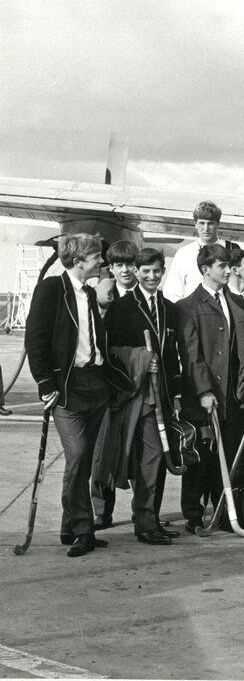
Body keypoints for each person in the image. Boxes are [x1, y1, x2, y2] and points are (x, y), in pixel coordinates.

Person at [25, 233, 132, 557]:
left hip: (95, 385)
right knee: (78, 455)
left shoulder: (88, 292)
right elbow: (35, 339)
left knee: (83, 462)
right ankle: (84, 529)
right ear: (79, 259)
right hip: (67, 390)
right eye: (95, 256)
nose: (101, 261)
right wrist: (46, 385)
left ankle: (68, 525)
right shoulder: (51, 290)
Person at [102, 247, 183, 545]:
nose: (151, 277)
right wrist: (138, 357)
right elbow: (109, 351)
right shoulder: (122, 309)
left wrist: (175, 394)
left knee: (157, 459)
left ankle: (148, 519)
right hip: (134, 396)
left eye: (156, 271)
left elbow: (173, 357)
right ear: (136, 272)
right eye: (145, 271)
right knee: (147, 459)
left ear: (163, 271)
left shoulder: (168, 308)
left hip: (161, 396)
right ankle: (145, 523)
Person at [175, 244, 244, 534]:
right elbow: (191, 354)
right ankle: (193, 514)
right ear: (206, 269)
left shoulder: (237, 303)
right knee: (201, 457)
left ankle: (221, 510)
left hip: (233, 395)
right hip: (204, 398)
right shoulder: (188, 307)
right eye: (221, 266)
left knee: (229, 454)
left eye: (228, 265)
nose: (228, 270)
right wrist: (204, 391)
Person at [92, 238, 139, 527]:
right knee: (103, 450)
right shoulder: (99, 298)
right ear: (111, 267)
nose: (125, 270)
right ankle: (101, 510)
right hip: (108, 386)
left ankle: (143, 512)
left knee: (137, 450)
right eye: (118, 265)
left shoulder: (145, 296)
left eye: (130, 264)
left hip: (137, 383)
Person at [163, 202, 229, 303]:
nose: (206, 228)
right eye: (202, 223)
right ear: (195, 224)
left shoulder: (229, 249)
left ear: (218, 224)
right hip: (192, 313)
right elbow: (172, 292)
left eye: (210, 223)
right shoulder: (184, 253)